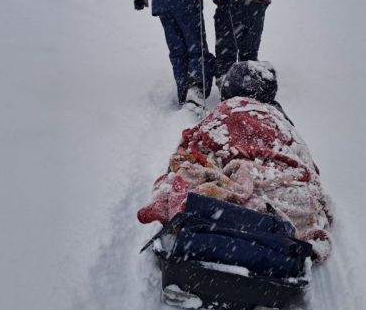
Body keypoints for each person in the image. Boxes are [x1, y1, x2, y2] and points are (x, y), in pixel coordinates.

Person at [137, 61, 332, 261]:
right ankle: (269, 231)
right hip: (289, 196)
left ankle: (225, 224)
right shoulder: (284, 123)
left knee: (188, 175)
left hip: (236, 199)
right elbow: (308, 167)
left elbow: (192, 147)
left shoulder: (227, 108)